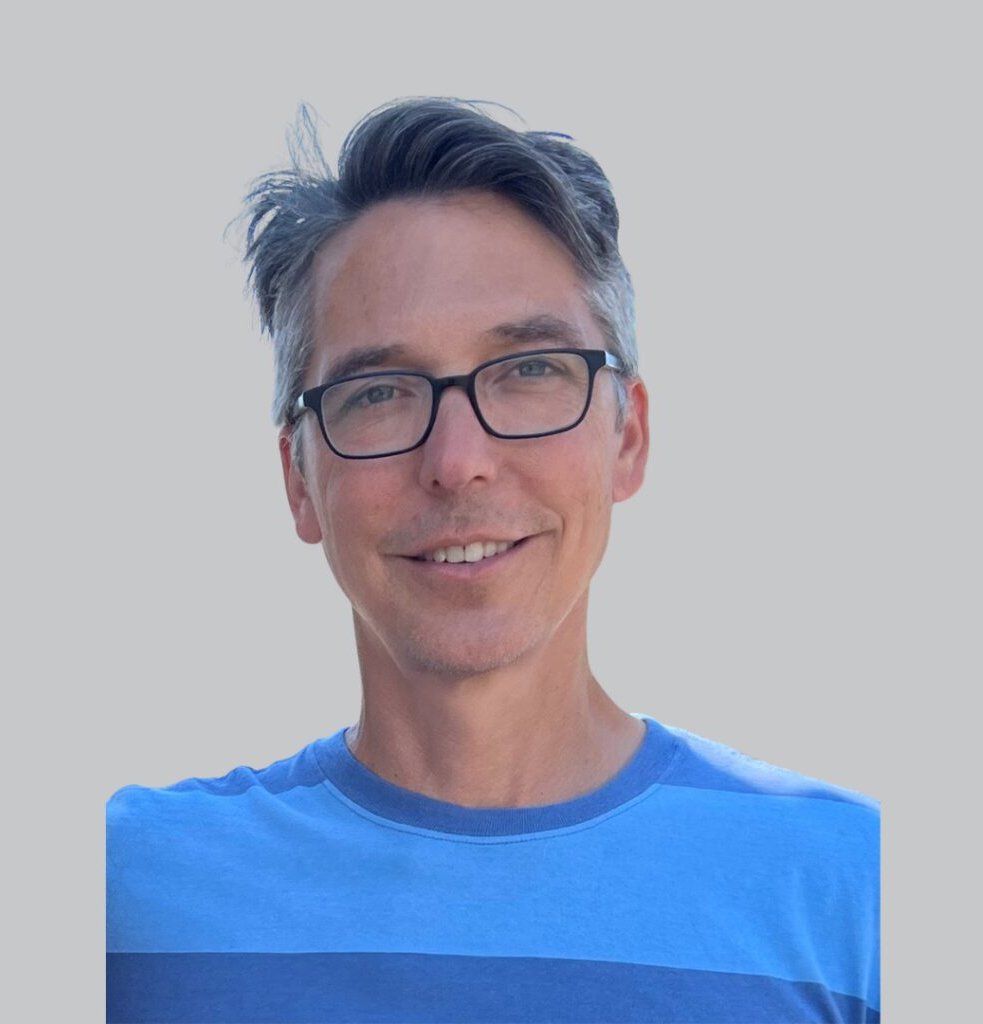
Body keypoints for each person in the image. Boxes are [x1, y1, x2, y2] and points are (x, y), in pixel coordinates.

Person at [106, 97, 880, 1023]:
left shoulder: (855, 891)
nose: (459, 461)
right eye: (380, 392)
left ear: (628, 435)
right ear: (299, 480)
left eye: (529, 372)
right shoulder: (125, 897)